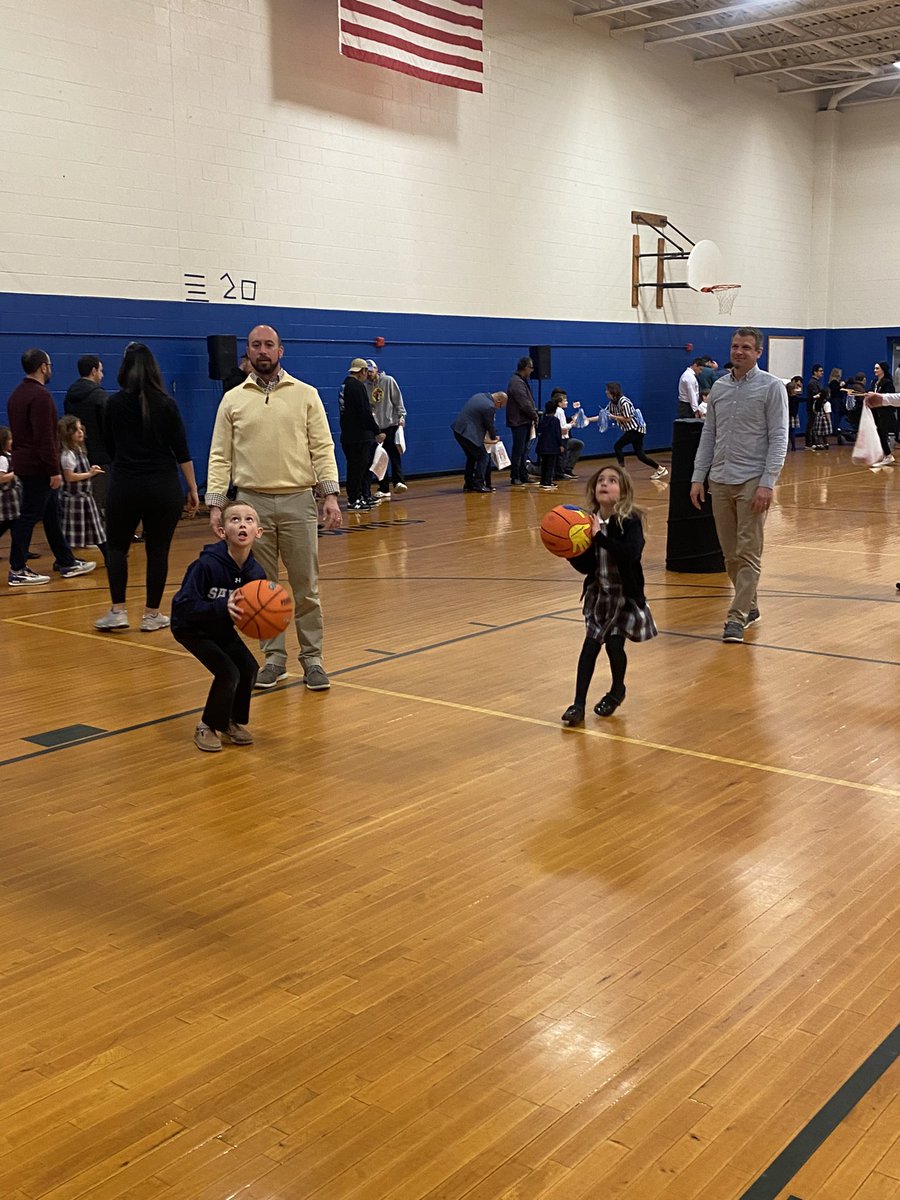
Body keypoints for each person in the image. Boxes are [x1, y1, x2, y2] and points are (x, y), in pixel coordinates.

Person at [205, 324, 342, 691]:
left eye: (269, 344)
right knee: (262, 588)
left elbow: (322, 447)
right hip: (250, 502)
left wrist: (330, 494)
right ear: (246, 352)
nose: (262, 350)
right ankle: (274, 659)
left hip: (299, 499)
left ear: (281, 350)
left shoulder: (306, 395)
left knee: (306, 587)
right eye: (255, 345)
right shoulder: (233, 400)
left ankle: (313, 659)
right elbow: (220, 456)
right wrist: (217, 504)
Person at [690, 326, 788, 644]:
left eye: (746, 347)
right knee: (730, 555)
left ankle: (736, 617)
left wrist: (767, 483)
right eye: (735, 346)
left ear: (758, 352)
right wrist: (697, 477)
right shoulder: (719, 388)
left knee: (748, 552)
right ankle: (751, 605)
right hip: (719, 479)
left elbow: (779, 438)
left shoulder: (772, 387)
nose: (739, 352)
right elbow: (709, 436)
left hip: (752, 480)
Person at [95, 342, 199, 632]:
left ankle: (118, 610)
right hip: (163, 486)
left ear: (123, 369)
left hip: (126, 484)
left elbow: (109, 447)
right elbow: (182, 451)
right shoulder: (167, 404)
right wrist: (192, 488)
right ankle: (152, 614)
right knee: (158, 550)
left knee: (117, 548)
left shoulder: (112, 404)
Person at [559, 464, 657, 726]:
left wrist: (599, 537)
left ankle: (617, 690)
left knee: (615, 647)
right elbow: (587, 567)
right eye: (601, 480)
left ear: (623, 491)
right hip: (599, 595)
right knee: (589, 646)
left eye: (612, 481)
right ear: (593, 488)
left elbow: (629, 553)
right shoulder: (585, 522)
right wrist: (569, 552)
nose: (605, 484)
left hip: (624, 597)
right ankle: (577, 705)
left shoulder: (629, 520)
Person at [171, 500, 266, 753]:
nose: (242, 524)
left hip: (219, 627)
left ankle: (229, 721)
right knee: (228, 672)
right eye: (235, 519)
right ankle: (206, 725)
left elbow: (251, 610)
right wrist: (222, 607)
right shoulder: (205, 565)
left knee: (248, 669)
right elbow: (182, 607)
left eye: (249, 520)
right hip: (190, 627)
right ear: (222, 532)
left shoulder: (255, 573)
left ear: (259, 532)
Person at [6, 348, 96, 587]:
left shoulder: (16, 394)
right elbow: (44, 437)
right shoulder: (41, 396)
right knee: (29, 515)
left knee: (51, 513)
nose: (51, 369)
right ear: (43, 367)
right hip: (38, 467)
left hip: (25, 463)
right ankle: (17, 568)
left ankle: (66, 561)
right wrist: (53, 470)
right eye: (50, 365)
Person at [57, 415, 107, 564]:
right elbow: (70, 477)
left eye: (81, 429)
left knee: (96, 528)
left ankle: (108, 556)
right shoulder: (67, 454)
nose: (80, 432)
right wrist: (90, 474)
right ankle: (61, 560)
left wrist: (90, 470)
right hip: (74, 499)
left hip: (85, 498)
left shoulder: (79, 450)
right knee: (69, 533)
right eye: (75, 430)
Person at [64, 354, 111, 511]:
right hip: (100, 456)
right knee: (99, 502)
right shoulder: (100, 397)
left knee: (80, 501)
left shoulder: (69, 396)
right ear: (93, 371)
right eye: (101, 371)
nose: (102, 375)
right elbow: (108, 427)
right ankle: (100, 535)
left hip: (77, 456)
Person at [340, 357, 384, 510]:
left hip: (347, 435)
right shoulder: (357, 386)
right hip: (359, 436)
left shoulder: (344, 385)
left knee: (354, 468)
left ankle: (359, 496)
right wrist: (377, 431)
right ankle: (354, 499)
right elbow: (364, 412)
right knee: (358, 469)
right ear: (363, 371)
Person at [606, 383, 668, 479]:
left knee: (617, 446)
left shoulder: (624, 402)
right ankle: (660, 469)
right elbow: (604, 415)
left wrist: (614, 417)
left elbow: (628, 418)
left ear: (612, 391)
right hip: (632, 430)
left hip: (636, 429)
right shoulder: (612, 403)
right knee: (640, 455)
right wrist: (587, 419)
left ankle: (622, 471)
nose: (606, 392)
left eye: (607, 390)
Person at [366, 360, 408, 498]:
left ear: (377, 369)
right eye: (367, 371)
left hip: (391, 424)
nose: (369, 374)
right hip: (377, 428)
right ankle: (383, 488)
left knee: (394, 455)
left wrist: (402, 416)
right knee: (378, 459)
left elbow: (397, 400)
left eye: (371, 371)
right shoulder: (366, 386)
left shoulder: (388, 381)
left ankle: (398, 482)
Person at [451, 391, 506, 493]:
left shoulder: (479, 395)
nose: (499, 408)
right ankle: (478, 484)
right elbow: (489, 425)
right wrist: (494, 438)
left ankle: (469, 484)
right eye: (501, 406)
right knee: (483, 456)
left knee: (471, 457)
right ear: (498, 400)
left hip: (458, 430)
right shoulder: (489, 406)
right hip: (467, 433)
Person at [506, 356, 538, 486]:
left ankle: (523, 474)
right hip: (519, 422)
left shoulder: (521, 381)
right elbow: (524, 404)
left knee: (524, 450)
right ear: (525, 368)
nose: (532, 371)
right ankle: (516, 476)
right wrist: (534, 415)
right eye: (531, 368)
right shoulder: (516, 382)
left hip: (524, 421)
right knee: (519, 450)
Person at [869, 361, 896, 466]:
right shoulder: (874, 382)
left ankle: (888, 455)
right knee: (877, 433)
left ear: (883, 370)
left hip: (884, 412)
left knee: (882, 433)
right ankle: (884, 454)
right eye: (875, 368)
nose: (875, 370)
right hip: (875, 411)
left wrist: (876, 396)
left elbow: (889, 396)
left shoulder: (887, 382)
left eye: (877, 368)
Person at [0, 426, 22, 555]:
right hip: (6, 498)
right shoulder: (2, 459)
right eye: (10, 439)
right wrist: (16, 473)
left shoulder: (9, 456)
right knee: (7, 524)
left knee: (16, 526)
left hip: (13, 497)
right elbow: (1, 478)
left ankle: (21, 550)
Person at [536, 398, 564, 490]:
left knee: (544, 464)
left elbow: (539, 430)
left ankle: (543, 481)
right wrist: (560, 445)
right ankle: (547, 482)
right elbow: (557, 434)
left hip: (542, 446)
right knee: (550, 465)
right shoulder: (555, 420)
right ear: (555, 410)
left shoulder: (543, 419)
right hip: (552, 447)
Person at [804, 364, 825, 448]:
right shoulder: (812, 383)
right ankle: (809, 443)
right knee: (811, 425)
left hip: (816, 406)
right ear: (815, 372)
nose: (822, 373)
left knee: (813, 425)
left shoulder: (816, 382)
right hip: (813, 406)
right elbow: (815, 394)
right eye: (820, 371)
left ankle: (813, 442)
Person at [786, 377, 803, 451]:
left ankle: (787, 446)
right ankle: (793, 446)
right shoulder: (795, 397)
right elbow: (805, 399)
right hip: (793, 415)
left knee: (786, 431)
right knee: (792, 431)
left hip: (786, 415)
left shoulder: (786, 397)